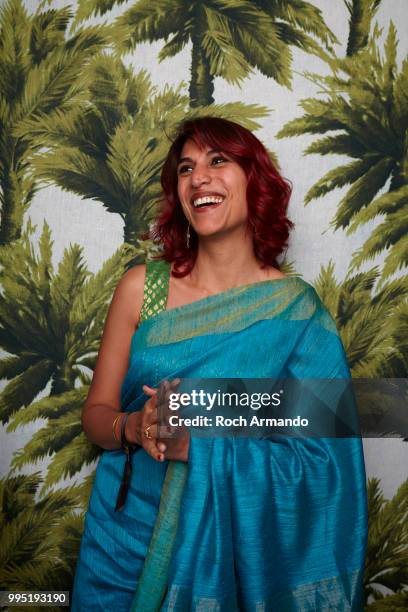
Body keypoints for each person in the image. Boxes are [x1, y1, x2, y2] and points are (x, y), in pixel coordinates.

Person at [72, 117, 368, 611]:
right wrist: (134, 425)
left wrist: (201, 448)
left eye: (218, 161)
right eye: (186, 169)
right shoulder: (141, 290)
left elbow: (322, 466)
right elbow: (95, 415)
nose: (199, 178)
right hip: (123, 539)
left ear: (254, 180)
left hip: (227, 551)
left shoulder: (295, 313)